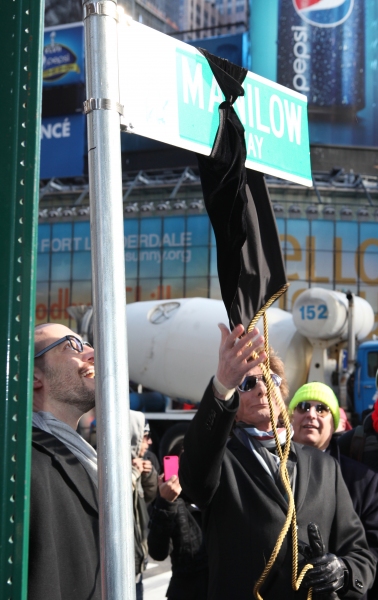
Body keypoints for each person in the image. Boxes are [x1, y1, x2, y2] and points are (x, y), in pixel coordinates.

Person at [179, 323, 376, 600]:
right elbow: (193, 480)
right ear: (233, 403)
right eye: (247, 384)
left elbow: (360, 553)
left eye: (270, 379)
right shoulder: (220, 459)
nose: (261, 389)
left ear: (282, 392)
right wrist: (222, 386)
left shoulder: (324, 466)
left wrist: (343, 571)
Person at [30, 323, 100, 600]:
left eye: (86, 344)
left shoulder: (79, 455)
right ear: (35, 377)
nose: (92, 352)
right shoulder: (25, 462)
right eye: (71, 346)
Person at [290, 382, 378, 599]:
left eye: (322, 409)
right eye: (302, 406)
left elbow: (372, 552)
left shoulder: (363, 480)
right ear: (290, 417)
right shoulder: (267, 468)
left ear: (334, 424)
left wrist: (344, 570)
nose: (311, 414)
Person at [148, 443, 208, 600]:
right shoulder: (172, 503)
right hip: (186, 592)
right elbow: (158, 552)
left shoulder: (212, 497)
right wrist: (165, 503)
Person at [131, 412, 158, 600]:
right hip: (121, 569)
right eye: (145, 437)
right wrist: (133, 473)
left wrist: (148, 476)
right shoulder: (108, 464)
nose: (149, 443)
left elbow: (147, 498)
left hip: (136, 565)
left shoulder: (140, 463)